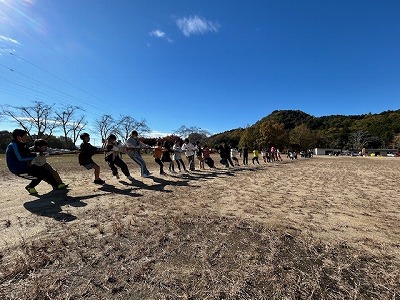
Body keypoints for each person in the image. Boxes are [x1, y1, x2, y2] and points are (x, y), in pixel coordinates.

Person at [6, 129, 64, 194]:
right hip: (18, 169)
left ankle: (56, 185)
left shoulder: (23, 144)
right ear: (19, 137)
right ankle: (30, 187)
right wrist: (37, 154)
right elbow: (21, 158)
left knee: (45, 171)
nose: (27, 137)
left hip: (26, 166)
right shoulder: (13, 145)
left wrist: (41, 153)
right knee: (39, 175)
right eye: (25, 136)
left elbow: (30, 153)